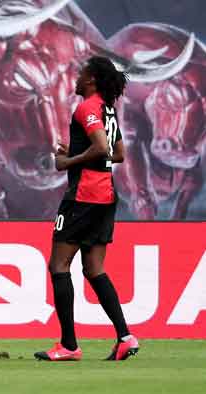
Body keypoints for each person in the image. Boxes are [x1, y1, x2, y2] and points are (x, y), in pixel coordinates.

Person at [34, 56, 139, 361]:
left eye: (80, 74)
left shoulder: (88, 107)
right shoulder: (107, 109)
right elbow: (117, 153)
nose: (76, 78)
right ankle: (125, 337)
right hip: (105, 194)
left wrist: (68, 161)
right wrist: (79, 151)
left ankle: (68, 345)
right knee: (94, 269)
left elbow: (104, 149)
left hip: (83, 195)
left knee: (58, 266)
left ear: (91, 79)